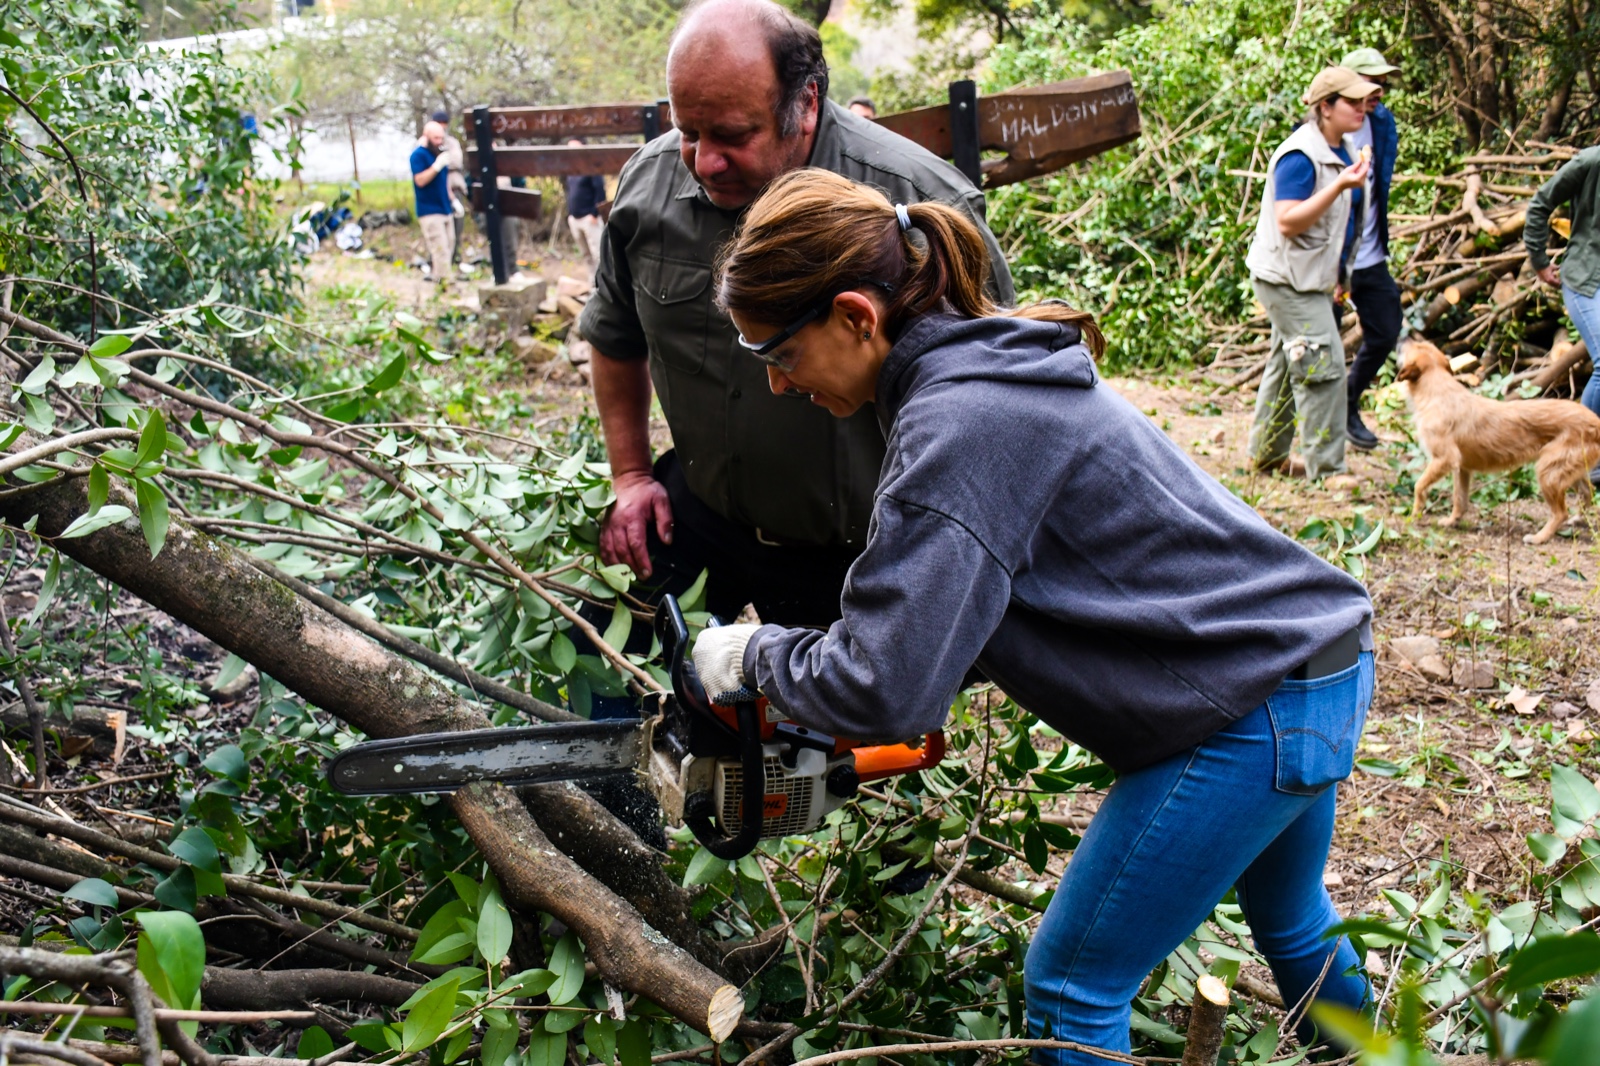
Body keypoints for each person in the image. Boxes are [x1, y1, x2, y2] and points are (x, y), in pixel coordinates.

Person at [693, 167, 1375, 1065]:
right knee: (1291, 918)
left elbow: (885, 689)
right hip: (1314, 659)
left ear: (856, 316)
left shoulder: (959, 422)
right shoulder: (985, 370)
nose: (779, 386)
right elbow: (977, 607)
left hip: (1255, 708)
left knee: (1071, 984)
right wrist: (853, 670)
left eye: (778, 355)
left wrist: (753, 657)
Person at [576, 0, 1012, 647]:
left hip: (857, 552)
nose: (703, 161)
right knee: (609, 676)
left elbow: (995, 409)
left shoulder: (915, 204)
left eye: (732, 135)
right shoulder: (650, 185)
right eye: (688, 131)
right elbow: (614, 334)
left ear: (805, 104)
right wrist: (632, 476)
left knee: (820, 715)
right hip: (700, 513)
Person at [1246, 66, 1375, 489]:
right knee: (1324, 365)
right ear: (1325, 107)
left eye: (1363, 101)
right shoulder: (1300, 156)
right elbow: (1288, 222)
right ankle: (1328, 470)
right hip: (1285, 279)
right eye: (1351, 102)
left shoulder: (1344, 148)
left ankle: (1266, 456)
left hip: (1309, 278)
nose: (1361, 108)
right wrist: (1338, 187)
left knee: (1289, 362)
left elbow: (1339, 226)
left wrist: (1339, 275)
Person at [1339, 48, 1402, 451]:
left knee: (1386, 329)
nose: (1379, 90)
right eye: (1370, 82)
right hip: (1333, 259)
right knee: (1315, 348)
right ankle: (1302, 434)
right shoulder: (1324, 129)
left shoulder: (1382, 122)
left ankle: (1347, 403)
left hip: (1371, 252)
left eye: (1382, 82)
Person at [1526, 143, 1600, 485]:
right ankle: (1585, 455)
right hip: (1586, 278)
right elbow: (1540, 203)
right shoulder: (1591, 161)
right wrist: (1539, 261)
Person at [410, 121, 455, 285]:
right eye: (436, 138)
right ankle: (446, 285)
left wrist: (453, 200)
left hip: (445, 207)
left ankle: (440, 279)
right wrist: (436, 167)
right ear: (426, 136)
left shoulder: (439, 154)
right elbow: (420, 180)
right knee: (440, 249)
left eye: (441, 138)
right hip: (429, 210)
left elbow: (444, 181)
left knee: (449, 246)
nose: (439, 141)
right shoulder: (418, 155)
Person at [427, 110, 469, 263]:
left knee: (457, 225)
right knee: (436, 227)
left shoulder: (451, 142)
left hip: (454, 187)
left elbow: (456, 161)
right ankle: (435, 261)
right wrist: (438, 163)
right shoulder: (425, 144)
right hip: (435, 190)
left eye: (444, 124)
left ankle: (455, 257)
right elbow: (425, 164)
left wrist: (441, 162)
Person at [565, 138, 607, 278]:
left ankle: (604, 285)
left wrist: (594, 214)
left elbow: (600, 191)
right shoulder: (572, 169)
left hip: (589, 218)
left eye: (574, 148)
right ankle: (593, 283)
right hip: (574, 218)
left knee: (599, 255)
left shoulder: (591, 167)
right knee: (586, 255)